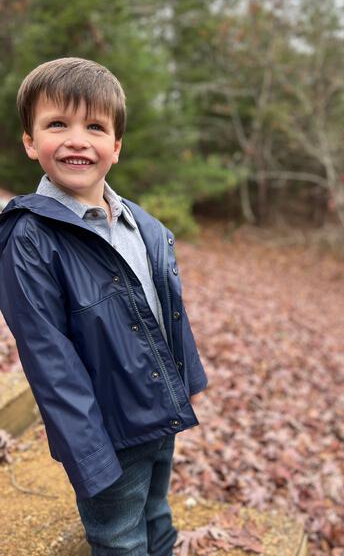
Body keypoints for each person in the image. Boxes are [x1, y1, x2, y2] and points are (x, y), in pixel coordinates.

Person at [0, 57, 208, 556]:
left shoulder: (142, 225)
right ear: (31, 142)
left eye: (95, 126)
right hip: (106, 431)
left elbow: (165, 312)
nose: (77, 139)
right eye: (57, 125)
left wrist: (185, 386)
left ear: (115, 146)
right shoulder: (29, 239)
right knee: (119, 537)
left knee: (157, 513)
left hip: (158, 411)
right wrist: (89, 456)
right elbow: (50, 361)